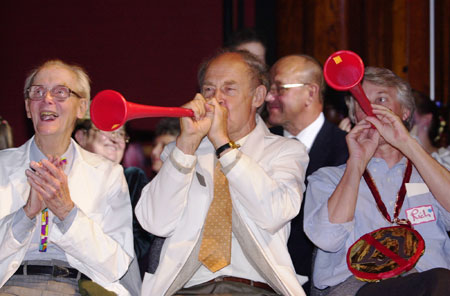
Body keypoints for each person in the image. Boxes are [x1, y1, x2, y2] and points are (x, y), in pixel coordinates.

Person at [135, 49, 309, 296]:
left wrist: (223, 145)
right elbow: (154, 222)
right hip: (185, 289)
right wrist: (185, 146)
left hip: (255, 288)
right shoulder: (182, 150)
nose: (215, 100)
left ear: (258, 96)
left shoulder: (286, 150)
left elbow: (274, 214)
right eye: (208, 90)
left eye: (229, 89)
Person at [304, 67, 450, 296]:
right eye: (362, 106)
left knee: (440, 281)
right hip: (357, 287)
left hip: (430, 281)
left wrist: (408, 144)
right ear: (355, 118)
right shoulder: (328, 178)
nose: (371, 110)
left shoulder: (432, 173)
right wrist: (356, 163)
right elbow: (326, 238)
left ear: (405, 112)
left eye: (381, 99)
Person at [0, 60, 134, 295]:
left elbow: (118, 265)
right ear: (28, 107)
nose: (47, 99)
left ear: (82, 107)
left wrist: (67, 212)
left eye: (60, 92)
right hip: (10, 283)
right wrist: (26, 215)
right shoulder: (3, 166)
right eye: (37, 92)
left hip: (80, 286)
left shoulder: (108, 174)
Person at [265, 54, 349, 291]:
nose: (270, 97)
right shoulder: (260, 145)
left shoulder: (348, 150)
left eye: (279, 88)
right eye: (270, 88)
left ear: (310, 93)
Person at [74, 119, 149, 290]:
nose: (115, 139)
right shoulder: (65, 177)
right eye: (107, 130)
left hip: (113, 279)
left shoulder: (132, 179)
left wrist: (113, 257)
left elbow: (141, 239)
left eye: (121, 133)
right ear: (81, 136)